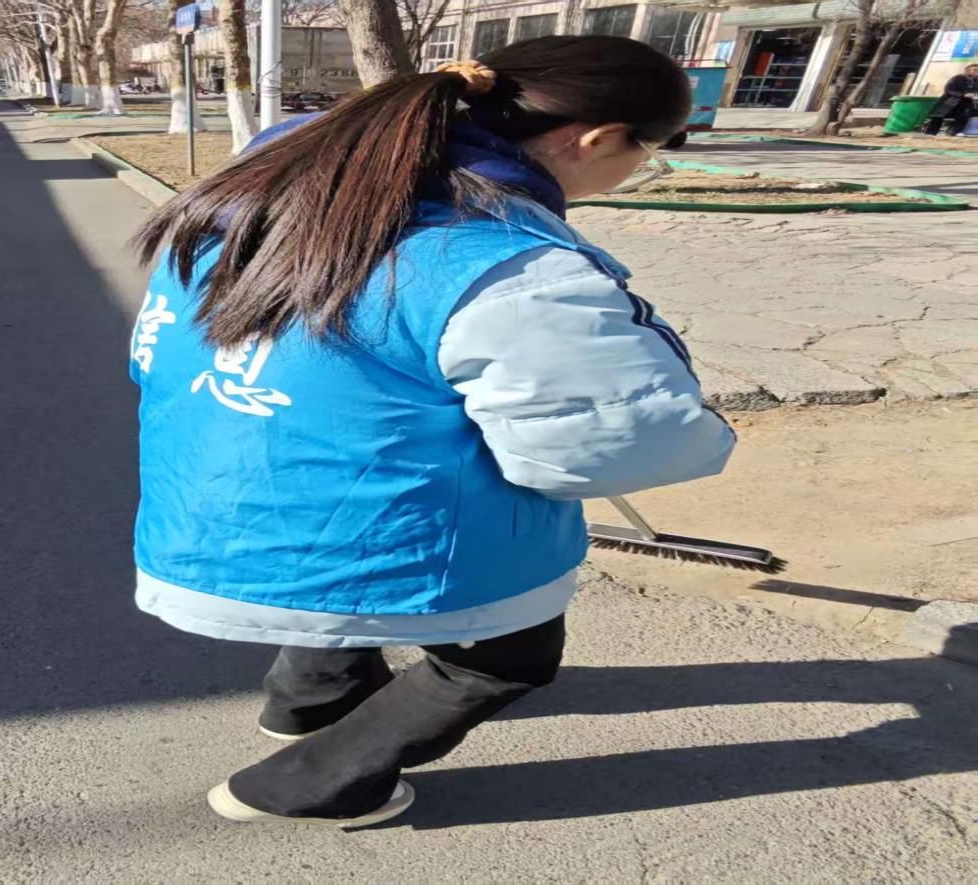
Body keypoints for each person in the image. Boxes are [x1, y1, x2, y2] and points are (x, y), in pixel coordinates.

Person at [129, 35, 736, 829]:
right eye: (648, 153)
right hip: (386, 548)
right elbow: (612, 445)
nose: (638, 168)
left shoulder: (256, 200)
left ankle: (309, 698)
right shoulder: (506, 266)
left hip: (209, 516)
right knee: (507, 657)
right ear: (596, 139)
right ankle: (312, 783)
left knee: (351, 535)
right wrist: (707, 433)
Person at [925, 64, 978, 136]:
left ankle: (954, 132)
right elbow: (948, 90)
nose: (976, 72)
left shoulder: (976, 80)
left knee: (963, 116)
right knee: (939, 116)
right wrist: (963, 95)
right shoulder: (957, 78)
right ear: (967, 70)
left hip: (966, 102)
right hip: (950, 101)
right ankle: (931, 132)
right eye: (974, 70)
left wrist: (974, 94)